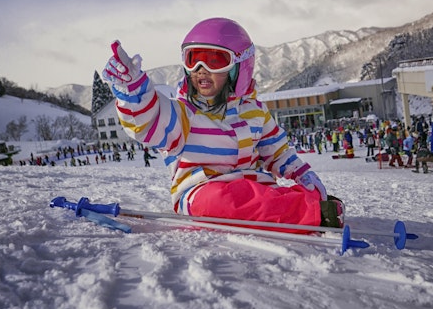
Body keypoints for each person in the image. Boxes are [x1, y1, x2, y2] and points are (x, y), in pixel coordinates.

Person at [102, 17, 344, 229]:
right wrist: (133, 91)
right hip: (202, 193)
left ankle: (309, 205)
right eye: (193, 59)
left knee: (263, 196)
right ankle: (312, 213)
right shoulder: (185, 112)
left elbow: (277, 154)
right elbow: (151, 122)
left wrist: (304, 176)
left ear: (239, 67)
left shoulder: (256, 113)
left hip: (254, 188)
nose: (200, 70)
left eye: (214, 60)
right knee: (219, 200)